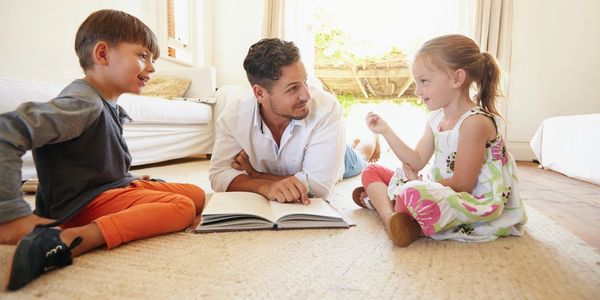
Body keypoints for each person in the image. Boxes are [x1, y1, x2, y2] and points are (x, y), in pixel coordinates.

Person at [0, 9, 205, 290]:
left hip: (106, 190)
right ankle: (71, 239)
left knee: (196, 195)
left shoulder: (102, 100)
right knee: (181, 207)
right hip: (81, 205)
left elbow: (93, 161)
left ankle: (121, 204)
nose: (153, 68)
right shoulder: (82, 103)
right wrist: (11, 213)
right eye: (143, 56)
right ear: (103, 54)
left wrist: (127, 178)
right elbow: (6, 131)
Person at [352, 34, 527, 247]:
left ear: (456, 78)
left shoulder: (475, 123)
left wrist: (417, 183)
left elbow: (463, 184)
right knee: (372, 171)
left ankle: (389, 207)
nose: (417, 91)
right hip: (438, 189)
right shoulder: (436, 118)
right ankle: (392, 217)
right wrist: (386, 131)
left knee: (412, 192)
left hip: (470, 200)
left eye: (424, 81)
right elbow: (416, 160)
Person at [209, 38, 376, 204]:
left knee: (361, 158)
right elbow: (218, 175)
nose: (306, 95)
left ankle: (372, 138)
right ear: (260, 94)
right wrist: (264, 187)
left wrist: (255, 176)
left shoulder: (325, 109)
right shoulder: (233, 117)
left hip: (336, 154)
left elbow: (318, 188)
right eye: (293, 88)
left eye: (305, 82)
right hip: (318, 150)